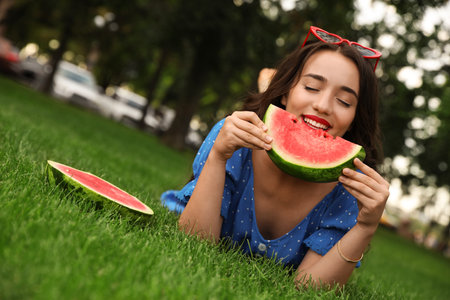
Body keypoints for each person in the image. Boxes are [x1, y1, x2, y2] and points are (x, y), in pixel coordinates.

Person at [161, 26, 390, 288]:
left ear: (354, 119)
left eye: (345, 102)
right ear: (285, 91)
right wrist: (218, 156)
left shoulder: (351, 187)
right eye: (312, 87)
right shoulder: (236, 139)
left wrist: (365, 227)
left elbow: (308, 287)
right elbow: (194, 242)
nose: (323, 106)